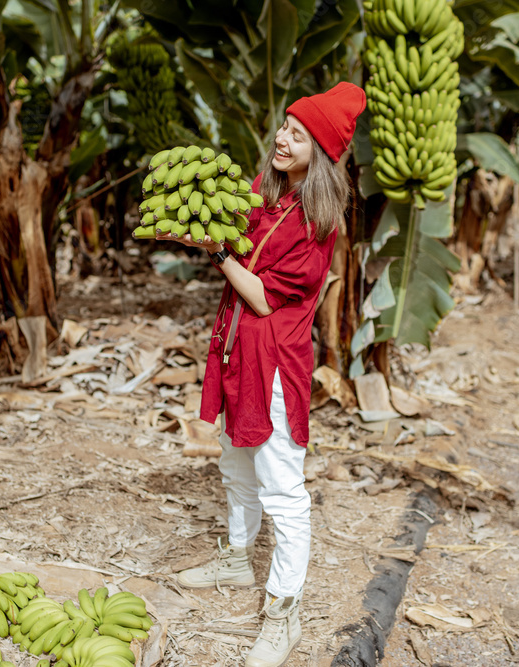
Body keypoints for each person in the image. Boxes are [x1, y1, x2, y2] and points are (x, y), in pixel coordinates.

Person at [157, 82, 366, 667]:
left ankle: (285, 612)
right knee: (235, 461)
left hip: (273, 360)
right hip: (234, 351)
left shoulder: (316, 224)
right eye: (284, 126)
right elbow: (229, 231)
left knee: (282, 487)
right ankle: (234, 556)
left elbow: (264, 300)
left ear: (320, 154)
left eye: (298, 135)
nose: (282, 137)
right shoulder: (265, 194)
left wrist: (217, 253)